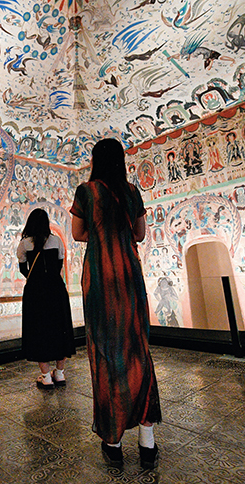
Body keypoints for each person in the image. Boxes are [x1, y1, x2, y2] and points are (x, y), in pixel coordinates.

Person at [70, 138, 161, 469]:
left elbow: (77, 233)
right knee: (138, 350)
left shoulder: (86, 191)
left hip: (100, 278)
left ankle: (113, 442)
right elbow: (140, 234)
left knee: (106, 353)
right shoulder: (132, 191)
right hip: (129, 275)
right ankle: (148, 442)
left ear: (95, 160)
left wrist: (101, 233)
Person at [16, 208, 75, 389]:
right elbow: (58, 265)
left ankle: (46, 376)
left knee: (39, 330)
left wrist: (36, 279)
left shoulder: (25, 243)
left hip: (35, 291)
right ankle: (60, 373)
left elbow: (23, 269)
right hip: (56, 289)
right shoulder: (56, 241)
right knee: (60, 328)